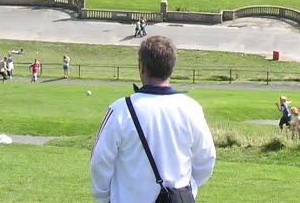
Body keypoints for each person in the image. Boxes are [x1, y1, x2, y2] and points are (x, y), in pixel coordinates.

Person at [90, 35, 216, 203]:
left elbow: (100, 161)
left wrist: (106, 198)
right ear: (171, 68)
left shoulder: (121, 110)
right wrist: (185, 188)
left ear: (141, 67)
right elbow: (206, 159)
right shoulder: (191, 109)